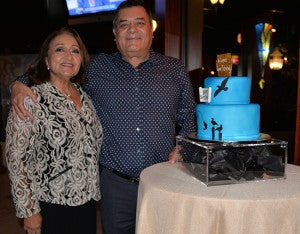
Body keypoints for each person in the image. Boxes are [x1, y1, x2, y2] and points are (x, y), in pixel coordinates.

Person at [10, 0, 196, 233]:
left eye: (139, 23)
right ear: (115, 34)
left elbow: (189, 115)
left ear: (151, 29)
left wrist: (182, 147)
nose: (132, 30)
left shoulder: (175, 69)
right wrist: (17, 85)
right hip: (114, 186)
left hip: (162, 180)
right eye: (124, 24)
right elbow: (55, 70)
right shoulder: (97, 68)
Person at [6, 27, 103, 234]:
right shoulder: (32, 99)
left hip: (86, 201)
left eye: (75, 51)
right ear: (47, 61)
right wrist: (29, 210)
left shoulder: (85, 97)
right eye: (60, 49)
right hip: (50, 203)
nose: (69, 56)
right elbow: (16, 157)